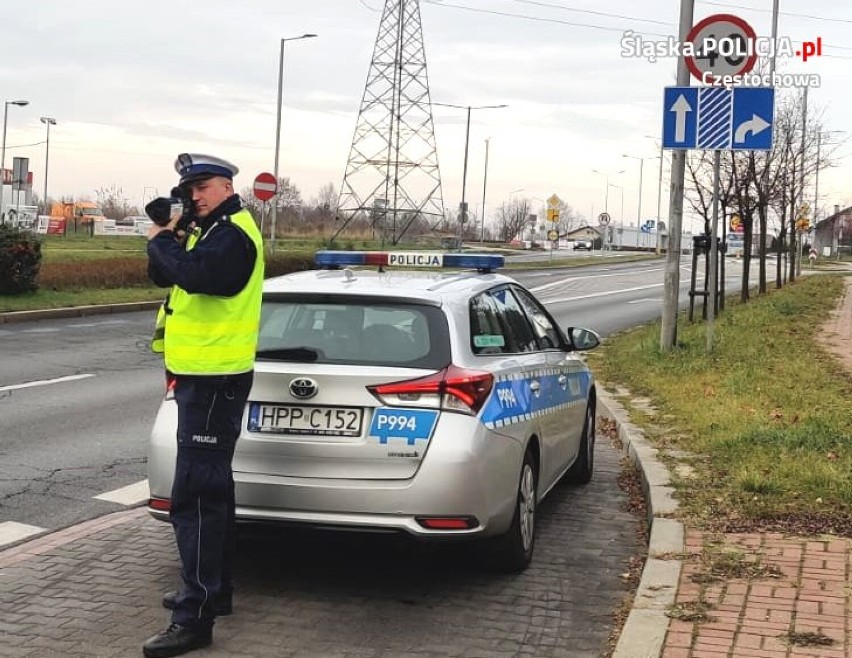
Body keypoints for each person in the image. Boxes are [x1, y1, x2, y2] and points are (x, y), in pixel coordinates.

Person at [142, 153, 265, 658]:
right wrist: (168, 233)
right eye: (186, 190)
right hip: (201, 376)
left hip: (216, 379)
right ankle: (216, 590)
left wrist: (162, 241)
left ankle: (193, 615)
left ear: (224, 186)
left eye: (199, 188)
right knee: (212, 487)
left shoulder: (232, 235)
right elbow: (162, 277)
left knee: (194, 496)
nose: (191, 197)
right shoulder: (209, 229)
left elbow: (197, 278)